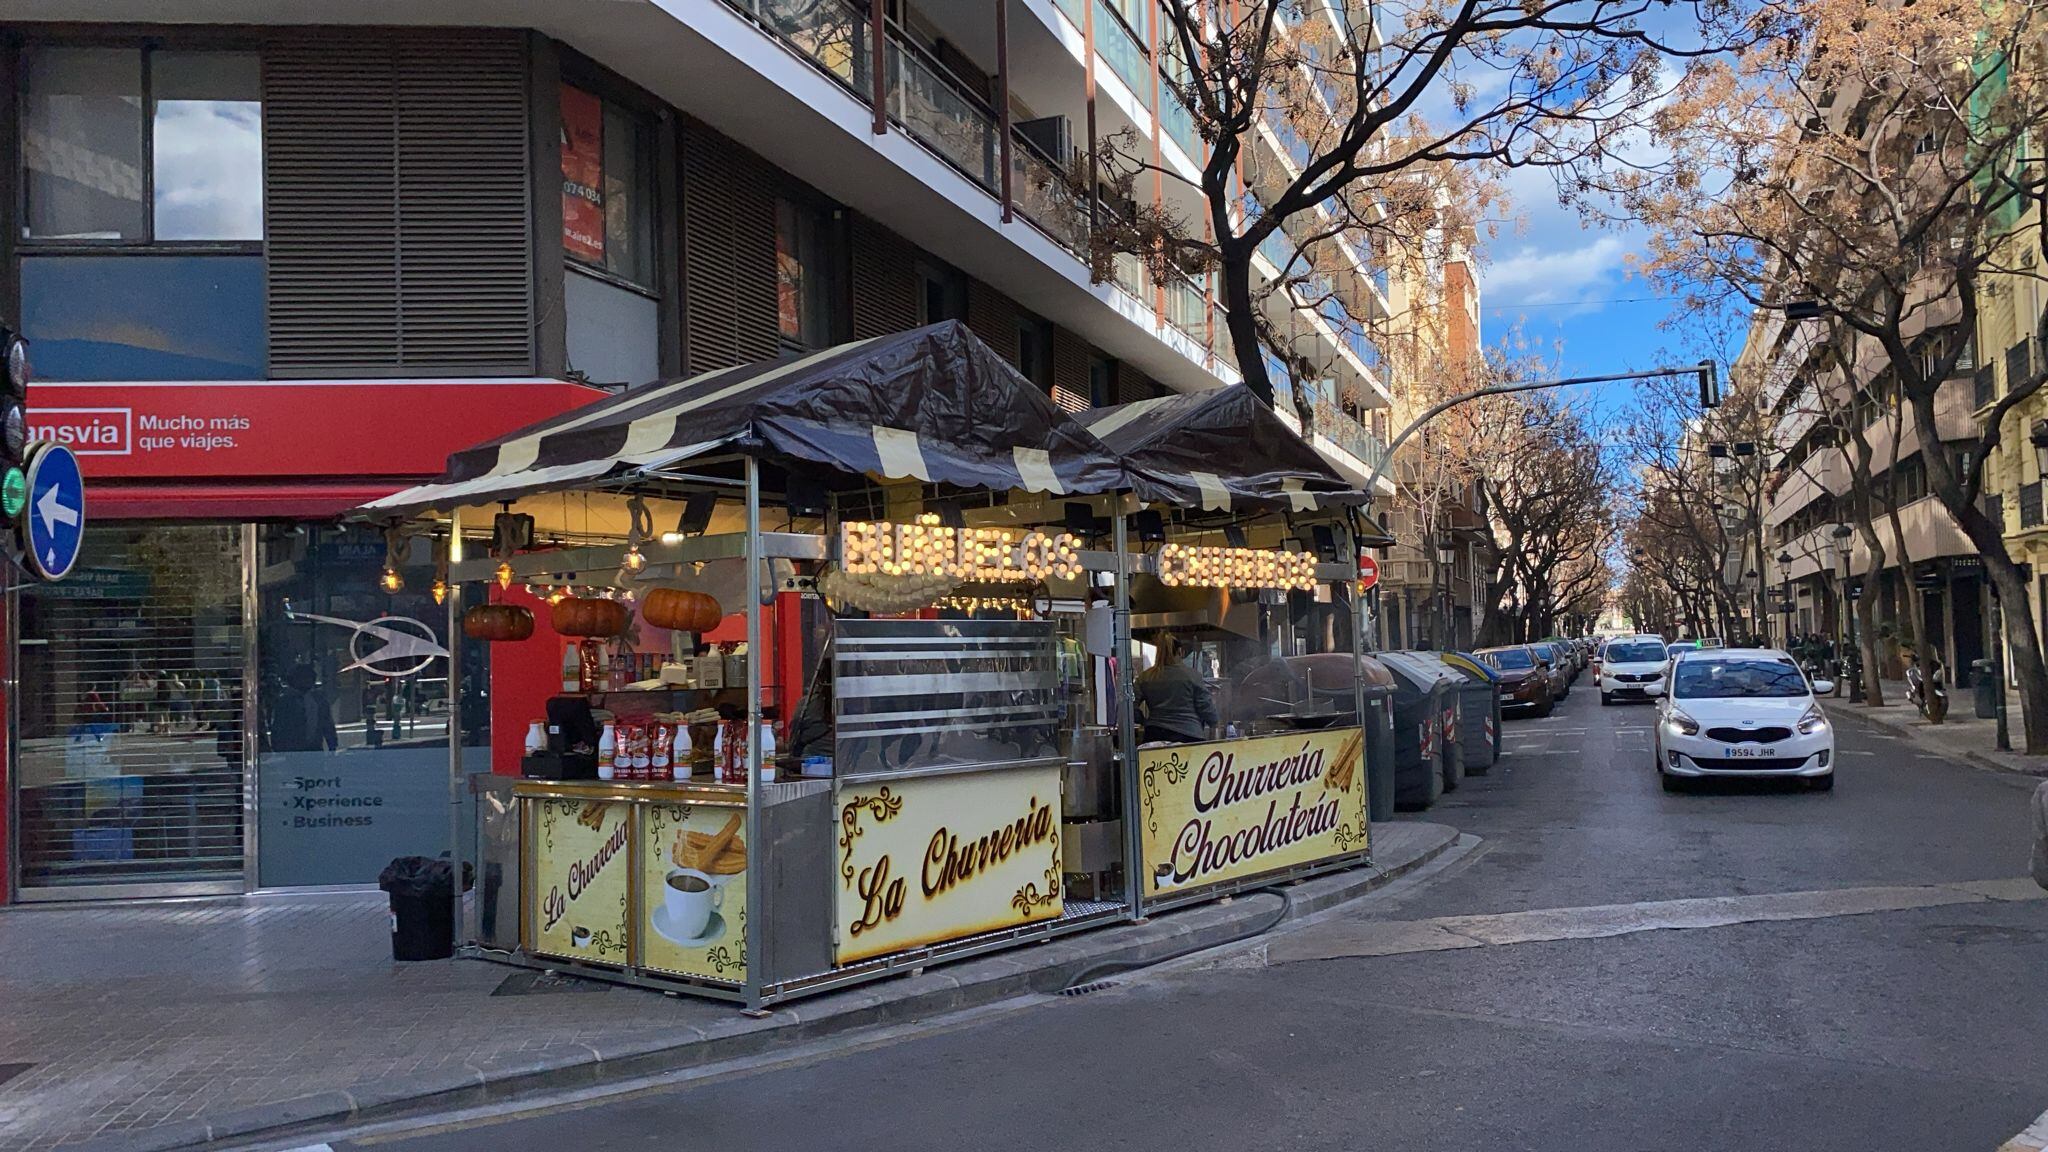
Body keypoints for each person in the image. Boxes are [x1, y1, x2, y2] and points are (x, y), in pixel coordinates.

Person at [1136, 634, 1219, 744]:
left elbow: (1128, 705)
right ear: (1180, 652)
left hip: (1154, 736)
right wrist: (1215, 723)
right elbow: (1206, 707)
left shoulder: (1145, 677)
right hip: (1189, 736)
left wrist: (1144, 721)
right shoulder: (1192, 676)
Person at [270, 665, 338, 753]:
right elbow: (278, 727)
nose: (306, 681)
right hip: (292, 751)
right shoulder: (285, 701)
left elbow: (327, 724)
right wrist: (278, 749)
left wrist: (332, 745)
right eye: (302, 678)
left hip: (315, 750)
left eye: (309, 678)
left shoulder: (319, 700)